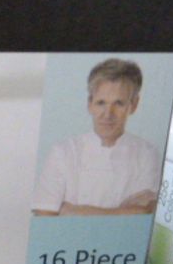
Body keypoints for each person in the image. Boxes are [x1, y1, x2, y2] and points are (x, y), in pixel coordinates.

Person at [32, 58, 161, 216]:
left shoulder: (147, 154)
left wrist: (72, 211)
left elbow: (145, 212)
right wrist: (123, 211)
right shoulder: (63, 152)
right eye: (101, 103)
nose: (108, 114)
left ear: (133, 105)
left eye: (118, 103)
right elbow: (44, 214)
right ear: (90, 103)